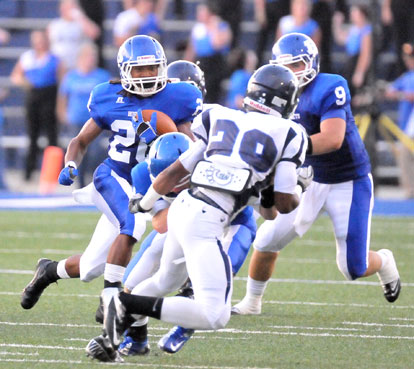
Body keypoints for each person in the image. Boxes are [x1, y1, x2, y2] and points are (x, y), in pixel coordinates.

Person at [99, 64, 309, 361]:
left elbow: (174, 171)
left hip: (183, 211)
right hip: (207, 221)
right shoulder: (290, 133)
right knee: (215, 315)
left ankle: (117, 331)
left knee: (164, 282)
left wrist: (145, 204)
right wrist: (300, 186)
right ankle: (123, 303)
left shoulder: (219, 116)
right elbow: (283, 206)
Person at [20, 34, 202, 345]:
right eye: (139, 70)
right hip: (113, 177)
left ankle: (49, 271)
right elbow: (80, 141)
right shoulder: (107, 96)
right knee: (131, 225)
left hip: (148, 182)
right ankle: (111, 300)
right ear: (125, 70)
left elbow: (188, 145)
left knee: (91, 266)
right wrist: (71, 165)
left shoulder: (178, 97)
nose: (146, 76)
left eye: (151, 69)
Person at [232, 33, 401, 317]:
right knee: (266, 239)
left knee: (352, 268)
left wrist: (291, 147)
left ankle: (383, 261)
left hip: (348, 180)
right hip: (306, 177)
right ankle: (252, 301)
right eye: (287, 66)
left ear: (311, 62)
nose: (294, 72)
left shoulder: (330, 86)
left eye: (298, 64)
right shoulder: (276, 89)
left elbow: (333, 139)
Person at [117, 60, 257, 356]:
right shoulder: (147, 163)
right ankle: (134, 331)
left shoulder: (215, 128)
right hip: (182, 221)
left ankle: (187, 323)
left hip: (231, 220)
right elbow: (160, 224)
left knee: (211, 280)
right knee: (129, 285)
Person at [10, 29, 64, 181]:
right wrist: (27, 83)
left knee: (51, 135)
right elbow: (16, 76)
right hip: (33, 97)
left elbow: (62, 80)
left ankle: (54, 172)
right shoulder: (27, 58)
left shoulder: (54, 59)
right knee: (32, 135)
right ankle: (30, 170)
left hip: (50, 96)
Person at [57, 42, 111, 188]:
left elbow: (109, 98)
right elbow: (63, 97)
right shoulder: (71, 76)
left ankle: (93, 180)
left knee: (94, 152)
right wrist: (63, 115)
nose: (90, 59)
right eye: (88, 56)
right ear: (80, 58)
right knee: (77, 151)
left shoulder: (102, 76)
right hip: (75, 119)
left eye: (92, 56)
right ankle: (79, 183)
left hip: (95, 121)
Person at [184, 2, 232, 103]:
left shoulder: (221, 26)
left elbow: (217, 44)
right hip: (201, 62)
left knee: (213, 93)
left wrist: (214, 26)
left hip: (215, 63)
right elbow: (191, 49)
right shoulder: (197, 28)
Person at [384, 43, 414, 199]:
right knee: (404, 156)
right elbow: (391, 90)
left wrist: (400, 95)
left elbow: (408, 95)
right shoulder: (407, 76)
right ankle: (410, 190)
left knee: (406, 156)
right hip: (407, 126)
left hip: (411, 126)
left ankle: (410, 191)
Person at [333, 4, 372, 101]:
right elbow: (341, 39)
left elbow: (365, 53)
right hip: (350, 63)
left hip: (357, 62)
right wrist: (337, 24)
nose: (352, 15)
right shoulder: (354, 29)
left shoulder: (366, 31)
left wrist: (360, 72)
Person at [48, 0, 101, 70]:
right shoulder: (54, 25)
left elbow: (95, 33)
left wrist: (80, 16)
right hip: (59, 67)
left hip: (77, 67)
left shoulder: (81, 24)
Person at [254, 0, 291, 66]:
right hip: (270, 7)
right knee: (262, 42)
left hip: (285, 6)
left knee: (282, 41)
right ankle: (257, 67)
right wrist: (260, 10)